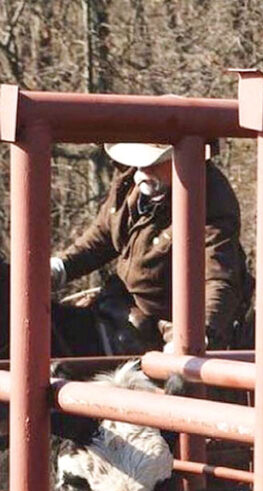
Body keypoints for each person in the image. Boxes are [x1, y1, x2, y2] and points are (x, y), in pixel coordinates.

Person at [49, 142, 252, 352]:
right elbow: (103, 235)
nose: (141, 172)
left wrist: (198, 335)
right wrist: (60, 267)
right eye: (138, 163)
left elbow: (218, 278)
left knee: (174, 379)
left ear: (182, 160)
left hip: (171, 320)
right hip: (120, 302)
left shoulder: (210, 200)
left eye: (154, 162)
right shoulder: (129, 184)